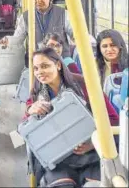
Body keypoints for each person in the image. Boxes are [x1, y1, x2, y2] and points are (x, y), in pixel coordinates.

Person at [24, 48, 119, 187]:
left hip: (90, 155)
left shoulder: (83, 85)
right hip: (57, 160)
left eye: (45, 66)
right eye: (36, 68)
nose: (39, 72)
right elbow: (25, 124)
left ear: (58, 65)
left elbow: (112, 118)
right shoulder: (37, 91)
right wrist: (30, 110)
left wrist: (94, 142)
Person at [0, 0, 75, 67]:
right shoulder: (25, 17)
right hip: (36, 64)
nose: (38, 1)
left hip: (60, 62)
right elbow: (18, 38)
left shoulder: (63, 13)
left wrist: (82, 39)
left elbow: (74, 33)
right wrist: (8, 40)